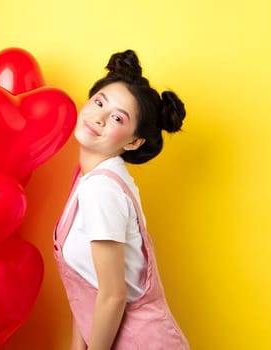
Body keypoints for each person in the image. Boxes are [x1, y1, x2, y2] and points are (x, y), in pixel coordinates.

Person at [53, 49, 189, 349]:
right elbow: (88, 284)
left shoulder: (102, 190)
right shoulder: (89, 178)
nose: (99, 117)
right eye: (99, 102)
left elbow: (113, 295)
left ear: (134, 141)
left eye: (117, 117)